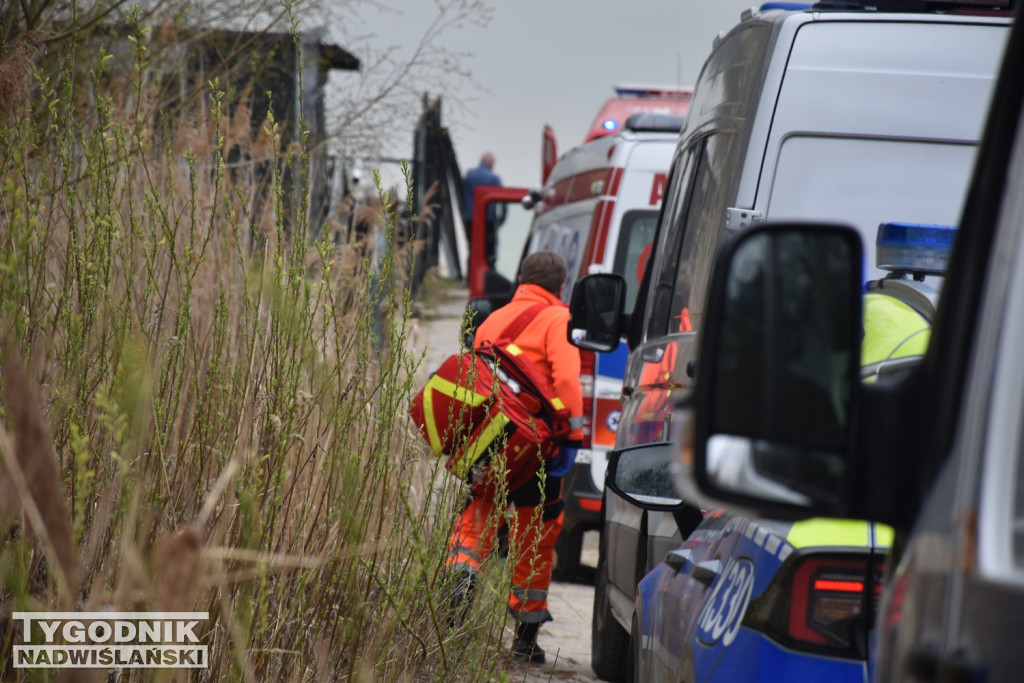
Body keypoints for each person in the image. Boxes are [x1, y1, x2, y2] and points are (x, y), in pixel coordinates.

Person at [444, 251, 584, 664]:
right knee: (535, 534)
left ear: (522, 279)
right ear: (560, 286)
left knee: (478, 513)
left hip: (489, 440)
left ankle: (457, 587)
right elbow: (567, 380)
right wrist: (572, 435)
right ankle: (524, 638)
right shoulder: (558, 319)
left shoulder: (494, 319)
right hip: (534, 446)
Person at [462, 152, 507, 269]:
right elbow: (504, 199)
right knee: (489, 249)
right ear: (490, 163)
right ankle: (488, 274)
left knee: (472, 248)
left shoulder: (469, 175)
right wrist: (502, 218)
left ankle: (470, 277)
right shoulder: (493, 178)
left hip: (470, 218)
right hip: (488, 220)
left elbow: (462, 194)